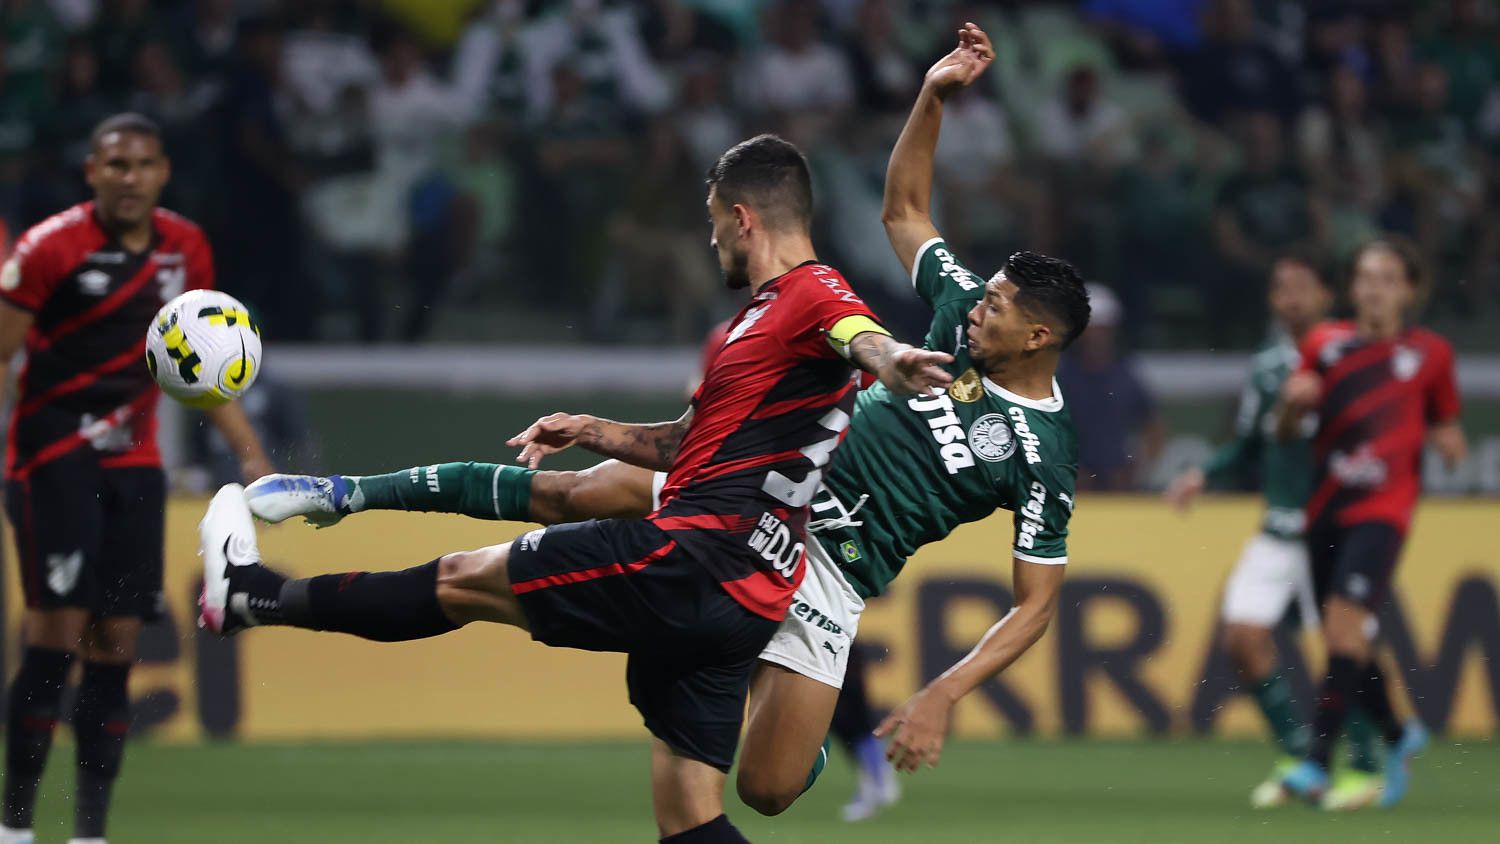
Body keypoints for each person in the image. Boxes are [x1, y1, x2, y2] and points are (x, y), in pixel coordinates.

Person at [244, 22, 1086, 818]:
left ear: (1039, 338)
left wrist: (944, 692)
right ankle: (340, 492)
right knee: (578, 492)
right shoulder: (958, 306)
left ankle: (749, 699)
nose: (981, 309)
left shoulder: (1043, 453)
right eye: (988, 296)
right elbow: (904, 211)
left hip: (833, 572)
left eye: (1002, 310)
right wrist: (934, 92)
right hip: (760, 490)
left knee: (768, 789)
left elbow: (1035, 605)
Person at [199, 133, 953, 844]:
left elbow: (859, 336)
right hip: (744, 594)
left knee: (463, 580)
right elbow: (686, 444)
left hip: (696, 560)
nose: (711, 239)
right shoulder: (752, 326)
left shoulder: (811, 293)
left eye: (713, 222)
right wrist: (595, 429)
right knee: (689, 815)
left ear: (741, 216)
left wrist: (891, 361)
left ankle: (256, 597)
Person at [0, 113, 272, 844]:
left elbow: (201, 367)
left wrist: (252, 455)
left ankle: (90, 832)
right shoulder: (48, 247)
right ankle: (16, 827)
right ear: (92, 173)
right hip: (51, 459)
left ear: (162, 173)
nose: (130, 176)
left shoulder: (186, 247)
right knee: (53, 638)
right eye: (116, 164)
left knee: (115, 644)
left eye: (144, 163)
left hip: (135, 466)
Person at [1166, 255, 1390, 810]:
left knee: (1345, 646)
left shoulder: (1353, 356)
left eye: (1300, 286)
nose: (1288, 297)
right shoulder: (1269, 369)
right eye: (1279, 287)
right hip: (1278, 527)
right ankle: (1296, 757)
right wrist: (1205, 475)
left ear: (1325, 296)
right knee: (1242, 637)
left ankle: (1364, 767)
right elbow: (1250, 445)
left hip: (1336, 530)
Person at [1277, 237, 1468, 807]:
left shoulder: (1431, 355)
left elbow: (1445, 423)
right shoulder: (1324, 344)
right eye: (1365, 277)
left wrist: (1450, 443)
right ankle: (1397, 733)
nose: (1374, 288)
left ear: (1410, 290)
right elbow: (1289, 430)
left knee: (1343, 626)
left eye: (1387, 278)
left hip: (1384, 512)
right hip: (1325, 509)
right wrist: (1292, 405)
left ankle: (1315, 763)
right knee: (1343, 637)